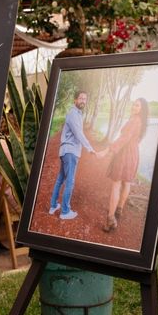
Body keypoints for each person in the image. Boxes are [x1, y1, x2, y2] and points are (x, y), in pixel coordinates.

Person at [49, 90, 100, 220]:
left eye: (85, 99)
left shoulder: (77, 114)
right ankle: (65, 211)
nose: (83, 101)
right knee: (69, 181)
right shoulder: (73, 114)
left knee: (61, 179)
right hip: (70, 152)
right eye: (81, 98)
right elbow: (78, 133)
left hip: (67, 151)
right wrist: (89, 148)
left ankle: (53, 205)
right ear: (75, 100)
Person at [103, 98, 149, 232]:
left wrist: (109, 149)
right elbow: (134, 139)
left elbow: (123, 139)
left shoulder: (134, 121)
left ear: (142, 109)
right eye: (133, 104)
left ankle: (111, 219)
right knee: (126, 183)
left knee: (116, 184)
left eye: (137, 105)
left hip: (125, 154)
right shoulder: (141, 121)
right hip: (134, 153)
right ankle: (119, 210)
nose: (134, 107)